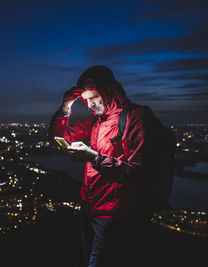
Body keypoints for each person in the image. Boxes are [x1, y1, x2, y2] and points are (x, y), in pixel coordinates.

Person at [49, 66, 152, 267]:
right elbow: (56, 139)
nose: (90, 104)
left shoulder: (133, 118)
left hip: (113, 216)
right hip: (89, 208)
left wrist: (94, 157)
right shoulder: (97, 121)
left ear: (108, 91)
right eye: (86, 100)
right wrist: (65, 109)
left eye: (94, 97)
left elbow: (137, 172)